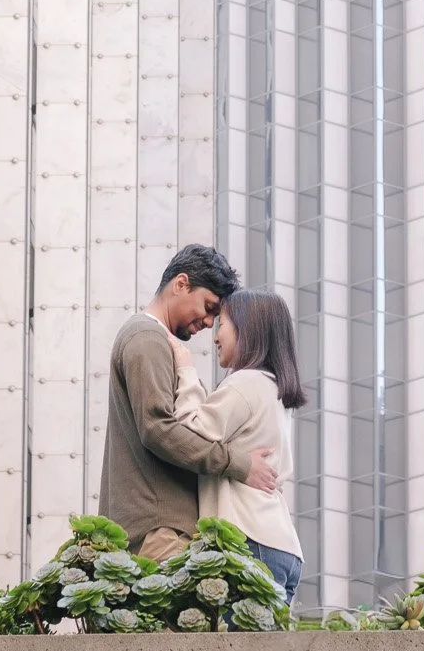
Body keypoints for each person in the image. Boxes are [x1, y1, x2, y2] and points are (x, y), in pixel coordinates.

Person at [100, 244, 281, 563]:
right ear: (181, 284)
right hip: (160, 534)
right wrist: (239, 464)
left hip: (165, 531)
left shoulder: (154, 340)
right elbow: (158, 429)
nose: (211, 323)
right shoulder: (146, 337)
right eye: (209, 307)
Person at [172, 286, 306, 602]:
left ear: (248, 330)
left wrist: (185, 371)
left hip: (249, 541)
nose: (216, 336)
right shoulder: (274, 391)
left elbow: (189, 432)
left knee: (234, 650)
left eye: (223, 325)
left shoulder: (246, 383)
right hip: (283, 547)